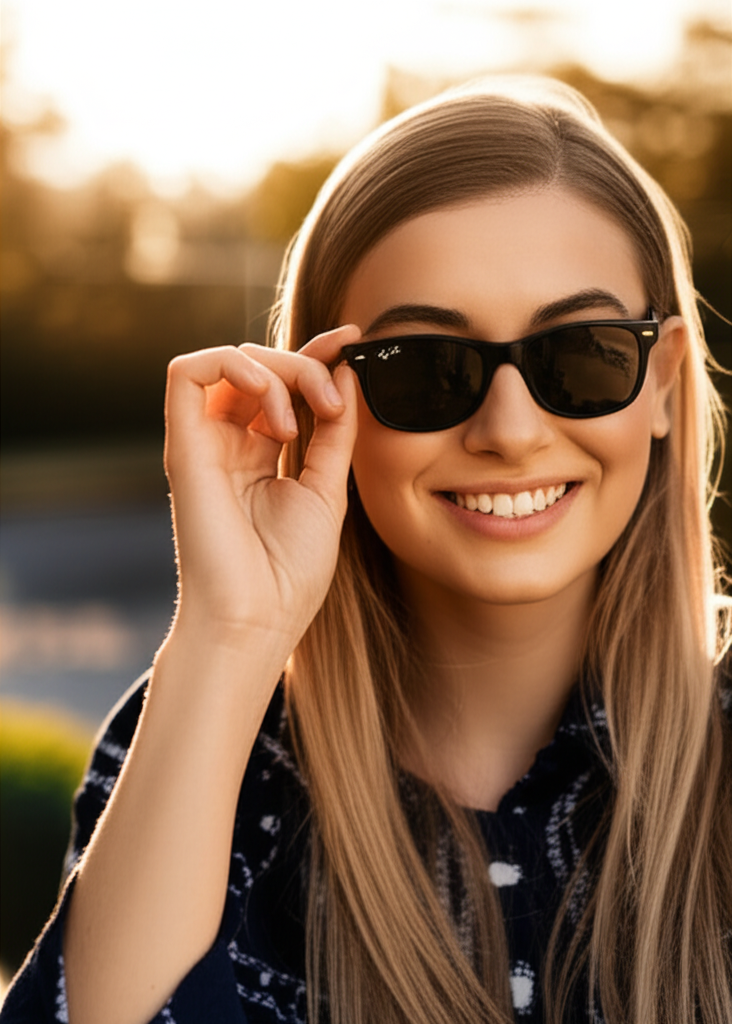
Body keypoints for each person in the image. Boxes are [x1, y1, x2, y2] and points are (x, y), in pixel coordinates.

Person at [2, 76, 730, 1024]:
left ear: (664, 382)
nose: (510, 431)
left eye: (581, 352)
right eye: (425, 367)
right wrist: (233, 629)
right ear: (317, 398)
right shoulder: (215, 749)